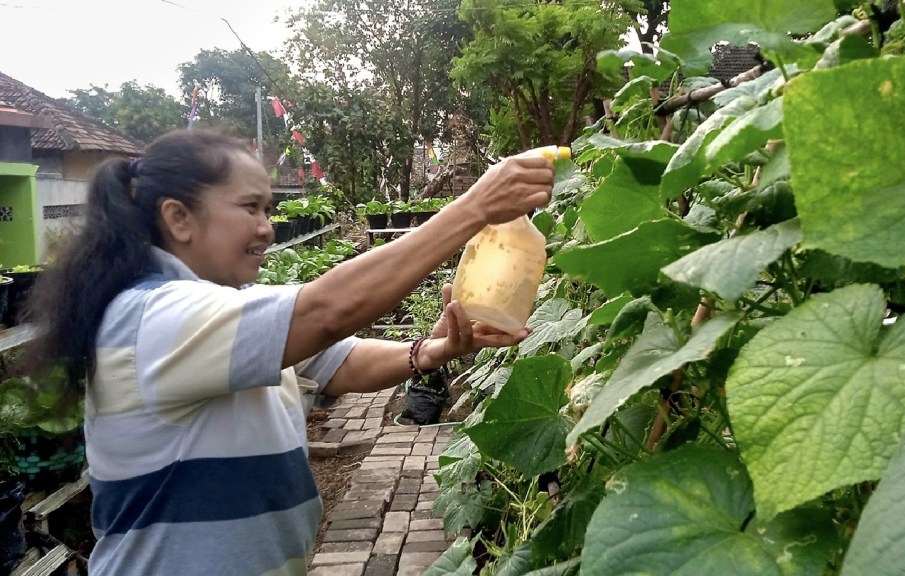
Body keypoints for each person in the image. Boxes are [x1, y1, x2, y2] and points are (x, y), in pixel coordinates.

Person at [22, 128, 555, 575]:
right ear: (179, 218)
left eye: (269, 208)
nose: (267, 226)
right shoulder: (154, 319)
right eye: (250, 207)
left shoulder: (224, 308)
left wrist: (430, 350)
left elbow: (339, 361)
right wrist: (474, 208)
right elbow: (325, 312)